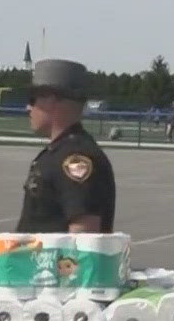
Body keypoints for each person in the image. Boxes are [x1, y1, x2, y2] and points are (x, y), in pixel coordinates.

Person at [17, 60, 117, 232]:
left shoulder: (75, 158)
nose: (28, 107)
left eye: (32, 100)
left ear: (51, 100)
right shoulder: (59, 152)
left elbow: (83, 237)